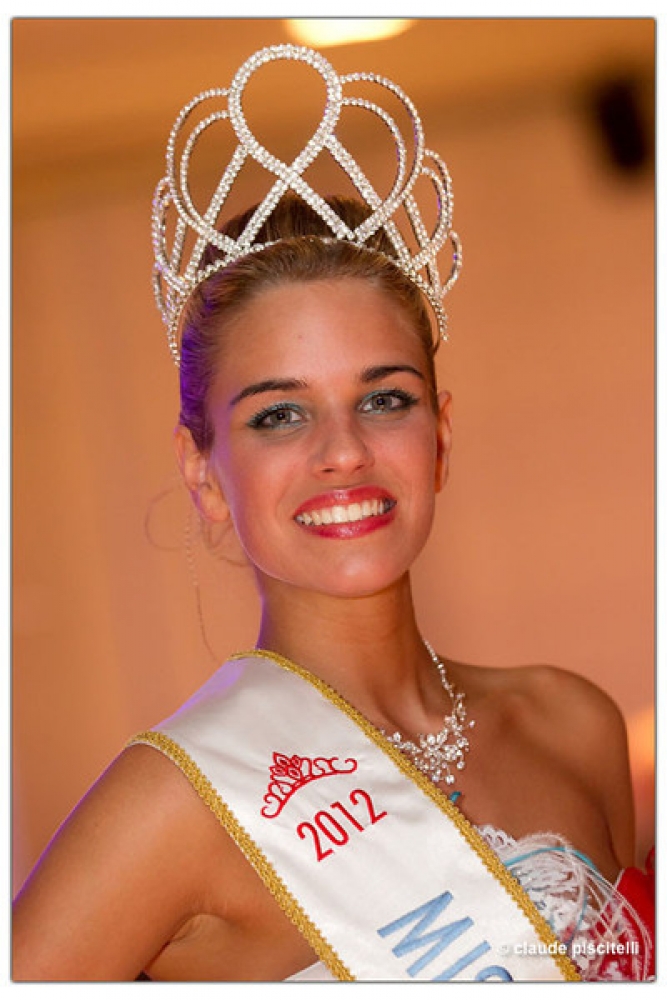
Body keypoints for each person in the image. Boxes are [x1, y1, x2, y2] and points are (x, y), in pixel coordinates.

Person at [12, 44, 653, 983]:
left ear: (438, 436)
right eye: (279, 415)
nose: (343, 450)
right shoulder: (174, 806)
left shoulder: (571, 725)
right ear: (203, 474)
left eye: (384, 399)